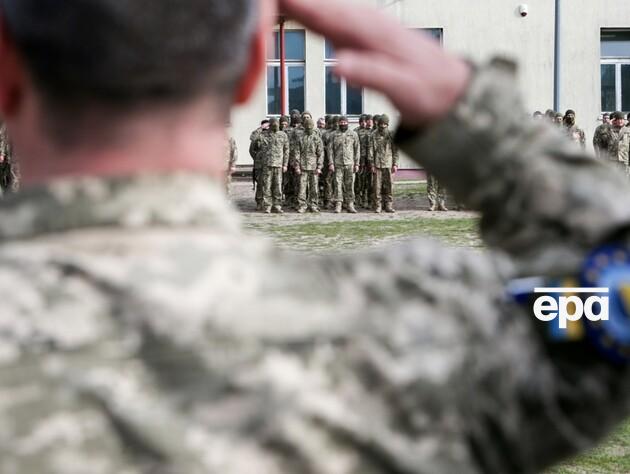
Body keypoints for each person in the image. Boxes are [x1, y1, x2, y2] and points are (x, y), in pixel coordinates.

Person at [0, 1, 629, 473]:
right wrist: (479, 122)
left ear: (6, 70)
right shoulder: (415, 327)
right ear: (253, 70)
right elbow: (618, 298)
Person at [328, 115, 360, 213]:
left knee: (350, 184)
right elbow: (330, 150)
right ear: (338, 123)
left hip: (350, 163)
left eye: (344, 122)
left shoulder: (353, 134)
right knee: (337, 184)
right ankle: (338, 204)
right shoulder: (333, 135)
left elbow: (357, 149)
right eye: (341, 122)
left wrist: (357, 164)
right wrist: (331, 163)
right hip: (338, 164)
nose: (343, 124)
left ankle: (350, 204)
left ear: (347, 123)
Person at [368, 114, 399, 213]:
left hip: (388, 164)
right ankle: (378, 206)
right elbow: (370, 150)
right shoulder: (373, 134)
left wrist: (395, 164)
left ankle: (388, 205)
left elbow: (395, 151)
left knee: (389, 186)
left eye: (384, 124)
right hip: (377, 164)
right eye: (381, 124)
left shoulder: (391, 134)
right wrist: (372, 164)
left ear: (387, 124)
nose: (382, 126)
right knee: (377, 187)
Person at [296, 118, 324, 213]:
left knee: (314, 188)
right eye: (307, 126)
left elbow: (320, 154)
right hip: (303, 166)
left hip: (314, 167)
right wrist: (297, 166)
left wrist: (319, 167)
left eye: (310, 126)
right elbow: (297, 153)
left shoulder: (317, 138)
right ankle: (302, 205)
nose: (309, 128)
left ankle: (313, 205)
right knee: (302, 188)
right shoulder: (300, 138)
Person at [249, 119, 269, 208]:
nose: (266, 128)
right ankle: (259, 202)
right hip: (260, 164)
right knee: (260, 183)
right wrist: (257, 158)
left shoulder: (272, 134)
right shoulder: (257, 135)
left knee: (269, 183)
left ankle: (268, 202)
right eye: (264, 126)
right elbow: (251, 149)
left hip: (270, 163)